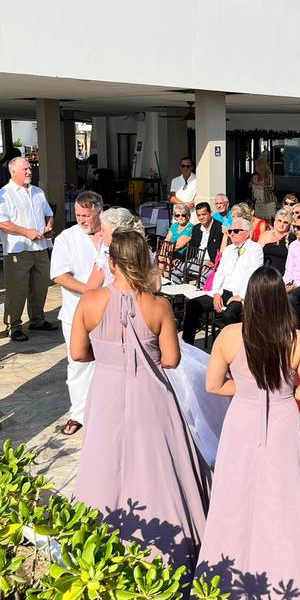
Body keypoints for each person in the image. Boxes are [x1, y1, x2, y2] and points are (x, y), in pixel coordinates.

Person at [196, 266, 300, 600]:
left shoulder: (228, 336)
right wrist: (282, 394)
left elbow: (213, 385)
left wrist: (245, 391)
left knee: (235, 498)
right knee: (286, 499)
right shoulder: (298, 339)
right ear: (281, 299)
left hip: (242, 420)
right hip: (285, 421)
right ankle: (291, 573)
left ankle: (229, 571)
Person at [71, 230, 207, 572]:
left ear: (111, 262)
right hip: (150, 393)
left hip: (106, 391)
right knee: (157, 464)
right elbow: (172, 359)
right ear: (144, 262)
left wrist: (108, 354)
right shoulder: (158, 304)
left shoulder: (88, 302)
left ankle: (98, 541)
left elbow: (77, 352)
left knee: (105, 461)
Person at [50, 191, 106, 437]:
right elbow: (59, 276)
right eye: (78, 215)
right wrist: (90, 292)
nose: (82, 220)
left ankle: (107, 410)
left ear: (99, 212)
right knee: (78, 364)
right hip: (77, 313)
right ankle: (79, 413)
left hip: (112, 313)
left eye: (87, 215)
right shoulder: (66, 238)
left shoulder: (112, 234)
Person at [0, 156, 57, 342]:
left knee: (40, 286)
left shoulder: (38, 192)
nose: (29, 172)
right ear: (13, 172)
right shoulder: (3, 194)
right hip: (17, 250)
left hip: (40, 246)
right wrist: (25, 232)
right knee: (16, 290)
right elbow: (1, 222)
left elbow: (48, 213)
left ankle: (37, 319)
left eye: (30, 168)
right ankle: (14, 326)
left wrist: (49, 226)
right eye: (25, 169)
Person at [181, 217, 263, 344]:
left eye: (235, 231)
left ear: (247, 233)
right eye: (230, 231)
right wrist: (216, 293)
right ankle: (187, 345)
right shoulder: (229, 249)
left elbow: (253, 275)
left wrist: (240, 296)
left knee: (229, 315)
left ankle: (235, 347)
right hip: (223, 291)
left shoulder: (255, 249)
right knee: (193, 305)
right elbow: (220, 273)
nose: (231, 234)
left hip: (241, 294)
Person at [187, 201, 224, 284]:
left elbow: (223, 249)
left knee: (202, 278)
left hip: (211, 263)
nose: (201, 218)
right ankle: (180, 296)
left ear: (210, 213)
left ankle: (198, 296)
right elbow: (191, 247)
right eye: (199, 215)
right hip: (196, 261)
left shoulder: (219, 228)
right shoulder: (196, 228)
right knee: (176, 271)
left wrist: (214, 262)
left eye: (204, 214)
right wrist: (178, 258)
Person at [259, 208, 293, 275]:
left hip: (282, 275)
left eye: (285, 222)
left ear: (289, 225)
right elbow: (257, 253)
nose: (281, 224)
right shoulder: (265, 235)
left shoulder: (291, 238)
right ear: (275, 222)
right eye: (279, 221)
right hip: (264, 273)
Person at [250, 155, 277, 220]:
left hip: (268, 201)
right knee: (258, 220)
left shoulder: (269, 174)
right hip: (258, 202)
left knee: (268, 221)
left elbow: (271, 187)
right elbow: (252, 188)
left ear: (261, 166)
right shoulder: (256, 176)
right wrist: (251, 183)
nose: (255, 167)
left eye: (256, 165)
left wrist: (258, 183)